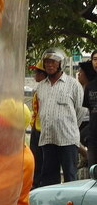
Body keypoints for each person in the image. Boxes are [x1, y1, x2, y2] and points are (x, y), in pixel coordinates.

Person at [36, 48, 84, 186]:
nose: (49, 65)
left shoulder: (73, 84)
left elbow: (80, 111)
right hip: (47, 139)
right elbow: (41, 111)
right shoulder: (41, 87)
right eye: (46, 62)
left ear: (60, 64)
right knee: (49, 179)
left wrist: (70, 127)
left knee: (70, 178)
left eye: (53, 62)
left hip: (67, 140)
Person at [28, 60, 47, 189]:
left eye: (37, 72)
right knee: (35, 158)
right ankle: (34, 182)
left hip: (42, 129)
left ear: (43, 74)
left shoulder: (45, 90)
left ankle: (39, 184)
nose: (35, 74)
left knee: (40, 160)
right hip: (35, 127)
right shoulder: (37, 89)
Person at [84, 50, 97, 166]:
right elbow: (89, 111)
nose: (96, 62)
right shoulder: (90, 87)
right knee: (93, 175)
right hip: (93, 139)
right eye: (94, 59)